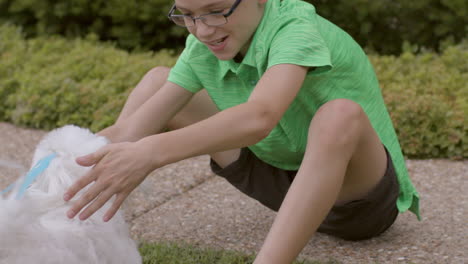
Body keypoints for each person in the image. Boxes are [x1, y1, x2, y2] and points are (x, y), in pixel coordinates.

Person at [63, 0, 420, 263]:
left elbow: (260, 117)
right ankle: (82, 219)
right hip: (278, 182)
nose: (202, 29)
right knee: (159, 82)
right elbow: (130, 130)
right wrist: (52, 172)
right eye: (186, 15)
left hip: (356, 203)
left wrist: (152, 152)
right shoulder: (203, 43)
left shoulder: (294, 27)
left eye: (216, 10)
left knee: (340, 115)